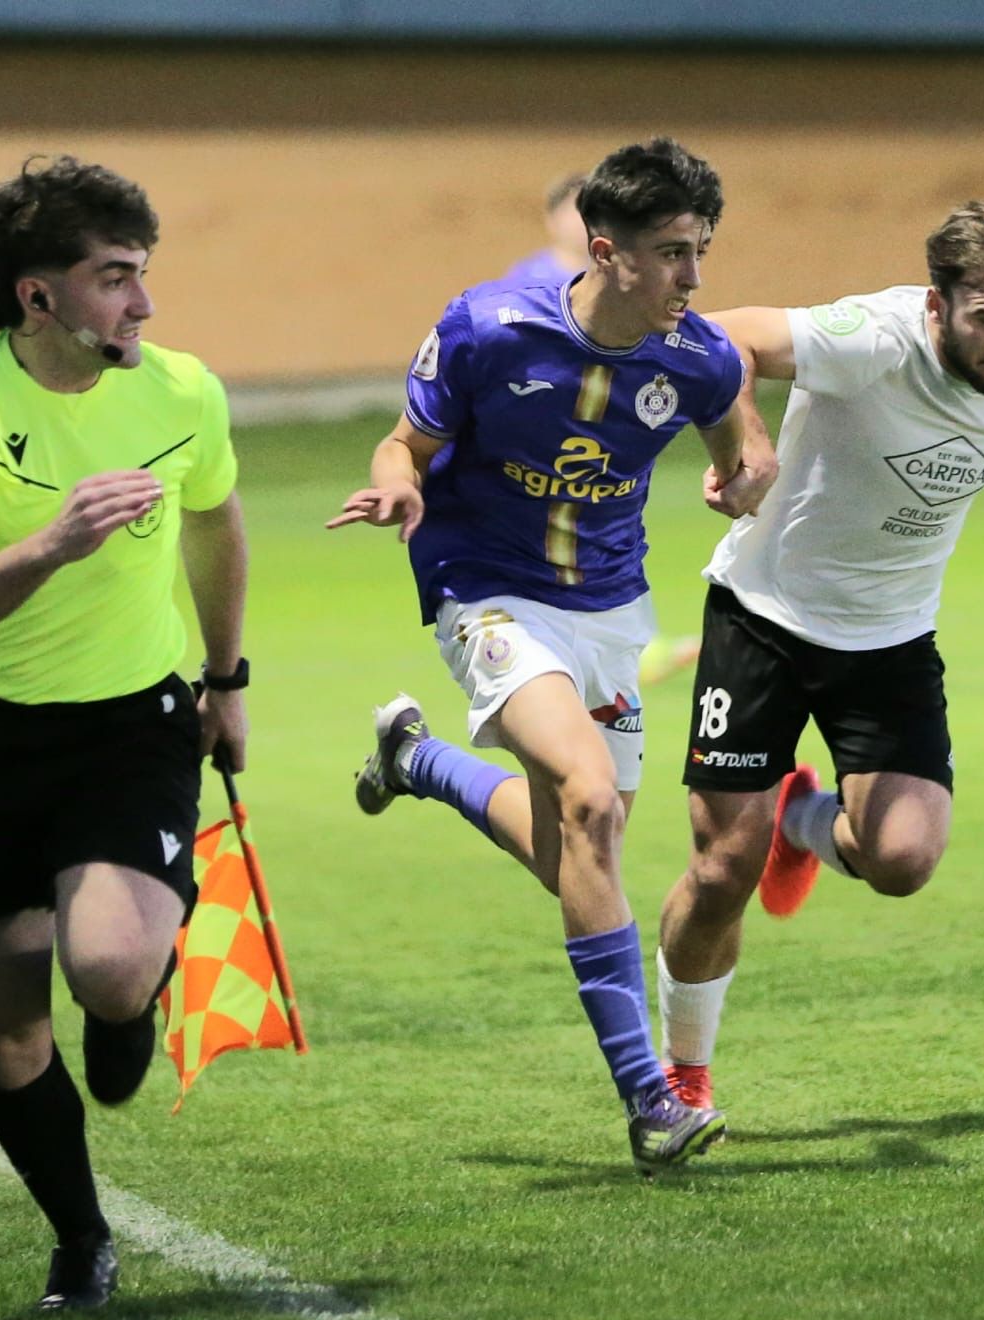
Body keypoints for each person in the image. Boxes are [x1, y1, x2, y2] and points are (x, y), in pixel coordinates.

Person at [328, 137, 771, 1173]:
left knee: (584, 841)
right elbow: (407, 442)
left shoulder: (697, 355)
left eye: (700, 250)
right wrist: (397, 481)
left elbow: (744, 449)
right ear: (604, 247)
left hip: (609, 610)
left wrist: (745, 479)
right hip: (484, 590)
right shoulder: (485, 327)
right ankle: (650, 1103)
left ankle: (419, 761)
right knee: (584, 797)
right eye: (670, 252)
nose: (692, 277)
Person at [0, 156, 248, 1311]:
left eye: (143, 275)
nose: (142, 303)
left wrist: (225, 677)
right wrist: (53, 541)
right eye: (115, 278)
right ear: (39, 297)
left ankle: (137, 978)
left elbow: (215, 526)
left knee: (110, 965)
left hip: (129, 726)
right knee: (9, 1043)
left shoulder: (182, 393)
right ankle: (81, 1236)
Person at [646, 199, 984, 1109]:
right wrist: (746, 439)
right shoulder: (870, 337)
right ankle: (684, 1072)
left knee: (903, 860)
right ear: (938, 306)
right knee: (721, 871)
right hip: (765, 617)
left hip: (891, 636)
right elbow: (718, 338)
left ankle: (802, 816)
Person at [502, 170, 704, 683]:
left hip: (612, 434)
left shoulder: (636, 283)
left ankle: (635, 646)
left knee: (614, 534)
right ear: (552, 220)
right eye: (573, 209)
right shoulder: (526, 282)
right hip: (542, 442)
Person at [500, 171, 589, 289]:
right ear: (552, 219)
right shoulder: (526, 278)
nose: (584, 221)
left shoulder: (615, 275)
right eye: (575, 212)